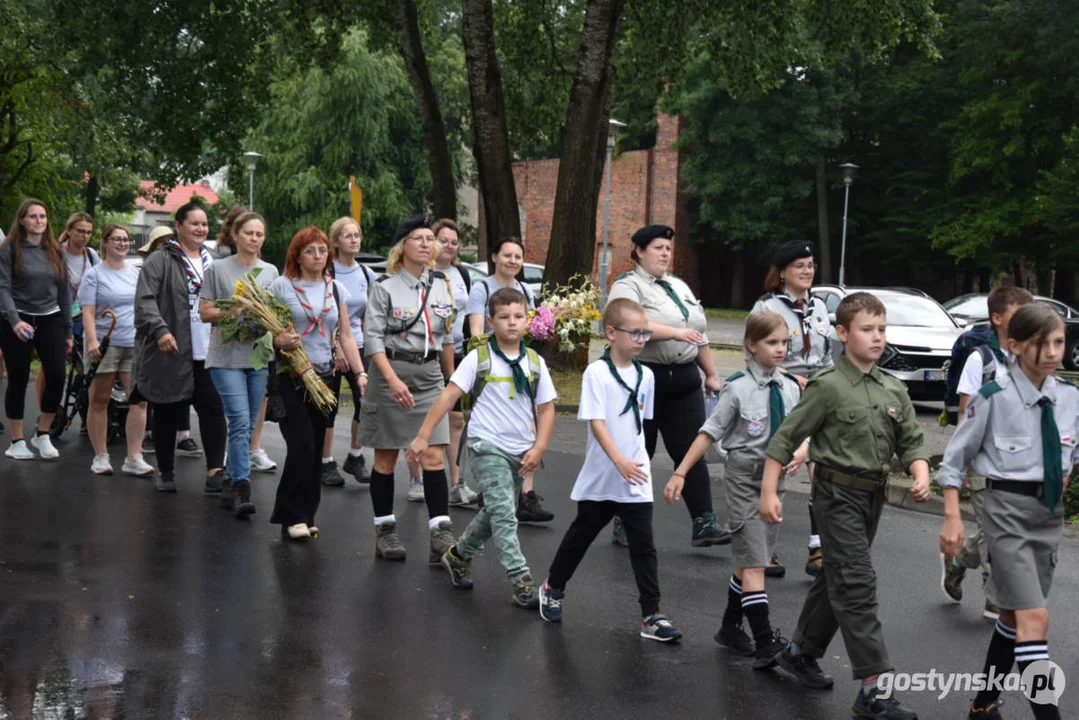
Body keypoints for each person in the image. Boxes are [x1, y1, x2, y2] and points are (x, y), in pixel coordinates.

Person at [760, 292, 930, 720]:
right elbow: (782, 441)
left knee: (836, 574)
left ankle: (799, 651)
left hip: (873, 496)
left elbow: (911, 441)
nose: (877, 338)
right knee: (856, 583)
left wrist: (921, 472)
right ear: (842, 333)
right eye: (867, 330)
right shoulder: (828, 387)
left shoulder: (893, 387)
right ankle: (873, 690)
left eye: (881, 329)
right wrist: (767, 493)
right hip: (835, 496)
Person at [938, 303, 1072, 720]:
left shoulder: (1071, 398)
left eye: (1059, 342)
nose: (1051, 352)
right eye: (1040, 343)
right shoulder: (991, 398)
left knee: (1014, 616)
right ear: (1013, 346)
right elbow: (955, 461)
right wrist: (953, 516)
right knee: (1036, 620)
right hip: (1005, 512)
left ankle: (982, 704)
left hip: (1047, 514)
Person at [666, 311, 806, 665]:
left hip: (776, 482)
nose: (780, 349)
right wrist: (681, 471)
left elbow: (803, 431)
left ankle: (729, 627)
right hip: (744, 479)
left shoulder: (789, 386)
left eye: (784, 342)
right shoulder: (738, 388)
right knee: (756, 561)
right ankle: (764, 642)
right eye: (772, 342)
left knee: (748, 562)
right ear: (751, 345)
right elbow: (708, 432)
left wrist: (802, 453)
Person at [537, 298, 682, 642]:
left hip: (635, 476)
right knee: (581, 535)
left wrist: (636, 463)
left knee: (643, 545)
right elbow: (598, 423)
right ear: (612, 333)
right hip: (604, 473)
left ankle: (652, 615)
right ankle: (553, 586)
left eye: (645, 332)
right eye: (635, 332)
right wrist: (618, 460)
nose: (642, 338)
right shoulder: (596, 373)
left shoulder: (646, 375)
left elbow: (640, 426)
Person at [410, 287, 556, 607]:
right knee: (505, 515)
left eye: (519, 316)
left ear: (528, 320)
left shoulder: (534, 362)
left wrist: (539, 447)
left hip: (521, 450)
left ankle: (458, 555)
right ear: (491, 321)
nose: (512, 323)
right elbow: (449, 396)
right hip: (485, 445)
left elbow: (546, 408)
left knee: (494, 512)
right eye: (504, 317)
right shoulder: (480, 357)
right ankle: (522, 580)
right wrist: (423, 435)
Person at [606, 224, 727, 547]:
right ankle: (625, 520)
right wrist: (674, 333)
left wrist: (712, 373)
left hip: (685, 377)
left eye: (668, 249)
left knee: (691, 450)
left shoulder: (678, 285)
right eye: (658, 247)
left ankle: (704, 521)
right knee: (639, 451)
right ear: (640, 251)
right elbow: (631, 325)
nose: (665, 254)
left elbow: (697, 331)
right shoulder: (627, 287)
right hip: (646, 377)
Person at [356, 214, 457, 562]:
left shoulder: (442, 285)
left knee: (433, 455)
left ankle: (440, 532)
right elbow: (372, 340)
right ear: (402, 247)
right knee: (386, 456)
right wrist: (393, 379)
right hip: (391, 375)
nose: (427, 243)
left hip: (429, 378)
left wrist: (452, 384)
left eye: (431, 238)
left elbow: (445, 338)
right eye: (419, 238)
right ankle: (385, 530)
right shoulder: (384, 288)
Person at [940, 286, 1033, 620]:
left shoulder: (1029, 358)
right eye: (1018, 312)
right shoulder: (981, 358)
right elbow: (967, 416)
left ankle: (958, 560)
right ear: (997, 318)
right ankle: (996, 596)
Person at [268, 226, 364, 540]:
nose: (318, 256)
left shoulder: (335, 289)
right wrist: (277, 338)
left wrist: (360, 373)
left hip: (324, 378)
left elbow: (347, 336)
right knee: (302, 446)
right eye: (310, 250)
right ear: (297, 254)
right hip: (292, 377)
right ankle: (291, 514)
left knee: (315, 447)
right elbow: (264, 331)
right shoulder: (282, 286)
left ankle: (306, 514)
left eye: (322, 250)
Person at [753, 239, 837, 578]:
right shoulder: (767, 307)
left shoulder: (819, 307)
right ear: (783, 272)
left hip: (817, 394)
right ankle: (762, 549)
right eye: (800, 266)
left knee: (822, 469)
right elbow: (755, 354)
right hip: (782, 391)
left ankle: (818, 548)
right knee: (776, 468)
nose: (808, 271)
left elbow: (828, 354)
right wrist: (790, 377)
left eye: (811, 265)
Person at [132, 202, 227, 494]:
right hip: (173, 349)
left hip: (210, 350)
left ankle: (215, 472)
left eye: (204, 224)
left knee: (213, 410)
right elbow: (145, 300)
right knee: (168, 411)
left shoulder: (214, 261)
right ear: (179, 225)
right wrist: (160, 330)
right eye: (194, 223)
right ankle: (166, 470)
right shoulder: (160, 260)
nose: (201, 229)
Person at [198, 211, 280, 516]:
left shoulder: (271, 272)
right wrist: (240, 309)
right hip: (225, 357)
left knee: (246, 425)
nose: (255, 239)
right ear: (235, 235)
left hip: (258, 356)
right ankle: (242, 486)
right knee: (241, 420)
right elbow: (205, 312)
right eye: (249, 233)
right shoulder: (218, 270)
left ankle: (230, 484)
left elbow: (277, 313)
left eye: (259, 234)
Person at [465, 235, 551, 521]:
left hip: (521, 364)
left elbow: (533, 326)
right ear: (494, 257)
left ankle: (525, 495)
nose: (513, 261)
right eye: (507, 255)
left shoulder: (526, 288)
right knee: (493, 428)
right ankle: (490, 488)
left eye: (518, 256)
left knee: (528, 426)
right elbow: (477, 331)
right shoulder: (481, 289)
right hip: (494, 365)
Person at [0, 199, 73, 461]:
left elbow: (64, 293)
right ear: (22, 220)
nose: (39, 221)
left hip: (50, 318)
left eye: (42, 216)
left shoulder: (55, 250)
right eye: (33, 216)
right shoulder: (9, 249)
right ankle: (17, 440)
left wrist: (67, 331)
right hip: (17, 320)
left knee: (56, 375)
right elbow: (3, 288)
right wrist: (14, 320)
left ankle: (42, 434)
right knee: (18, 378)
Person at [78, 224, 154, 477]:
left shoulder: (135, 273)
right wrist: (91, 342)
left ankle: (134, 456)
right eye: (117, 239)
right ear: (105, 243)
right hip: (105, 343)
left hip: (133, 343)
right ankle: (101, 456)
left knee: (139, 400)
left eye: (125, 240)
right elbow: (87, 310)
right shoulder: (94, 275)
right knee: (99, 400)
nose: (122, 244)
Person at [321, 216, 373, 487]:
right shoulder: (327, 272)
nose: (354, 239)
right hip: (329, 345)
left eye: (357, 235)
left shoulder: (366, 273)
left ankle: (355, 456)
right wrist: (337, 347)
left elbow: (372, 313)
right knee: (329, 407)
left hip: (358, 343)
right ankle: (325, 462)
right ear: (336, 242)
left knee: (365, 400)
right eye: (348, 235)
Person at [432, 218, 478, 506]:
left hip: (457, 352)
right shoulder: (424, 272)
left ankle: (456, 482)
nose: (448, 245)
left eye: (453, 241)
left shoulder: (461, 273)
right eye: (443, 239)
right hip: (428, 353)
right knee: (427, 415)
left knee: (457, 419)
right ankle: (416, 479)